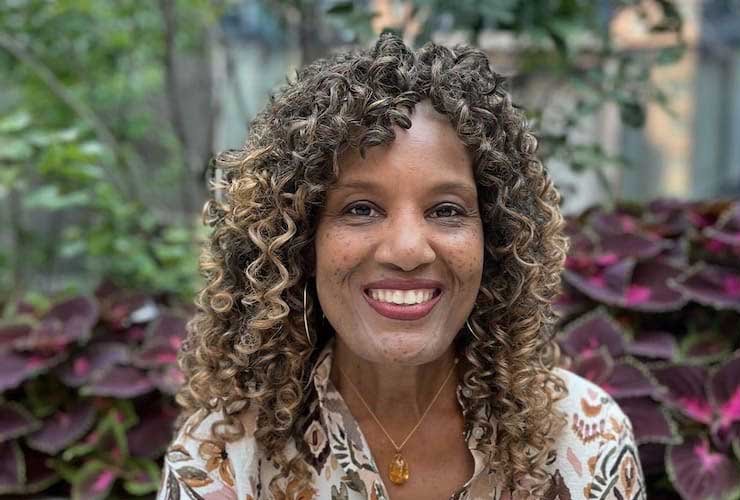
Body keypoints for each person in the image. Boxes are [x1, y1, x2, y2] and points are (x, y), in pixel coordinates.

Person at [156, 33, 644, 500]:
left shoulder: (584, 439)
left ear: (495, 241)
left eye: (447, 210)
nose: (408, 250)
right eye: (361, 209)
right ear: (300, 241)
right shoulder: (226, 454)